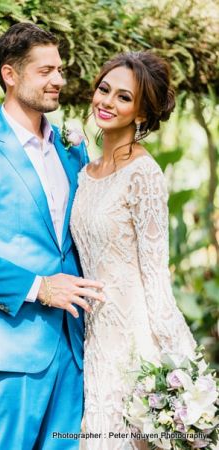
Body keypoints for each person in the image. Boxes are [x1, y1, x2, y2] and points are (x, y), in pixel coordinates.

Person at [0, 23, 104, 450]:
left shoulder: (71, 147)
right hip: (9, 353)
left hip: (73, 346)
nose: (59, 80)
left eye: (60, 69)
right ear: (10, 75)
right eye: (46, 70)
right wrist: (39, 288)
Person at [70, 51, 197, 450]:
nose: (107, 102)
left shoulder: (144, 175)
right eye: (104, 90)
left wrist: (180, 366)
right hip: (96, 339)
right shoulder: (85, 173)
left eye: (124, 97)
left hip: (135, 344)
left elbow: (157, 276)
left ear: (141, 114)